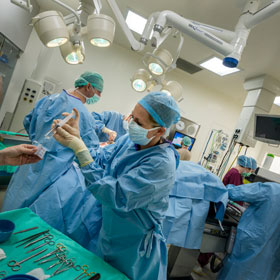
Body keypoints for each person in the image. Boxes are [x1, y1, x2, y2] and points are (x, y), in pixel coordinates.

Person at [53, 91, 181, 280]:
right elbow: (99, 160)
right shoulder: (129, 141)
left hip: (132, 242)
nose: (130, 123)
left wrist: (80, 151)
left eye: (138, 122)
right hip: (107, 226)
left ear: (160, 131)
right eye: (132, 116)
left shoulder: (161, 164)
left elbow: (116, 195)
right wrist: (80, 140)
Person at [2, 72, 103, 252]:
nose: (98, 96)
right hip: (54, 172)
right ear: (88, 87)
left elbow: (28, 121)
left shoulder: (48, 99)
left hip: (28, 160)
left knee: (14, 207)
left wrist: (39, 141)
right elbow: (90, 149)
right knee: (31, 225)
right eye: (98, 91)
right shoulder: (81, 114)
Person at [163, 149, 227, 278]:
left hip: (168, 211)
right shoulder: (200, 170)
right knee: (188, 241)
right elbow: (221, 191)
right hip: (194, 215)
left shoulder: (171, 166)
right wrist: (219, 214)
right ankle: (177, 274)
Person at [218, 182, 280, 280]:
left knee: (236, 273)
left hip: (251, 247)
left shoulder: (272, 190)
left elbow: (235, 193)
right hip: (271, 263)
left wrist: (226, 186)